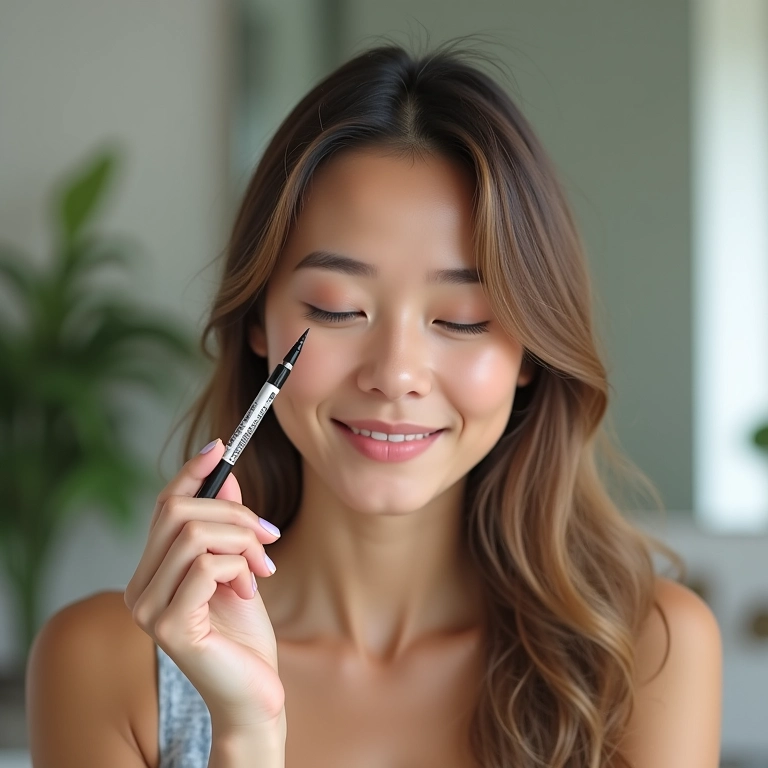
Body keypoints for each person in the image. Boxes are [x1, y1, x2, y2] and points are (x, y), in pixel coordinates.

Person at [26, 42, 722, 768]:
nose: (395, 375)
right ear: (258, 324)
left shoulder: (647, 654)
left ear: (531, 354)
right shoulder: (105, 665)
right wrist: (247, 732)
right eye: (335, 309)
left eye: (461, 319)